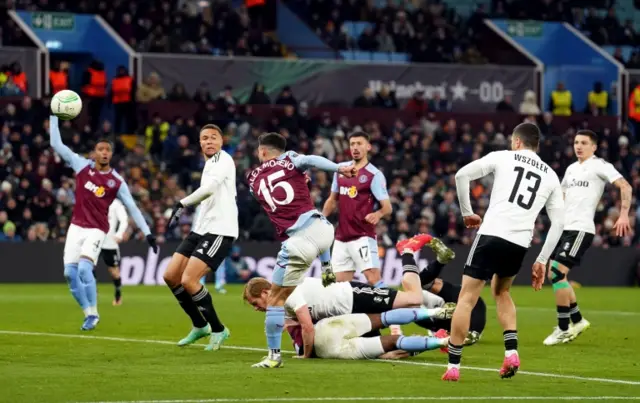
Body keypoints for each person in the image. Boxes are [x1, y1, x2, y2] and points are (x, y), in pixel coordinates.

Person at [444, 122, 565, 381]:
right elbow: (559, 223)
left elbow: (461, 175)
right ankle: (511, 352)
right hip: (519, 243)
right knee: (502, 292)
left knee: (467, 298)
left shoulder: (503, 157)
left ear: (518, 142)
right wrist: (542, 259)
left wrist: (467, 213)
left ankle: (453, 366)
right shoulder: (551, 175)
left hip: (491, 234)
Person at [246, 132, 357, 368]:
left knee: (275, 299)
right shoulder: (290, 160)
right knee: (319, 233)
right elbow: (310, 160)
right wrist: (339, 168)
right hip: (325, 230)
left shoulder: (253, 177)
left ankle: (273, 357)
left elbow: (273, 192)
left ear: (262, 151)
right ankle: (327, 266)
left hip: (298, 241)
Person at [49, 115, 157, 331]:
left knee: (84, 269)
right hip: (76, 227)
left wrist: (148, 233)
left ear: (111, 154)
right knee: (69, 274)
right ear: (94, 153)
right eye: (101, 149)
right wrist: (54, 115)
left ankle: (95, 313)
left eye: (108, 150)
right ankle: (88, 313)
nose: (104, 153)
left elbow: (133, 208)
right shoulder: (81, 166)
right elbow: (55, 144)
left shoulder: (116, 181)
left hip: (97, 230)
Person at [543, 130, 632, 346]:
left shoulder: (599, 165)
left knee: (556, 272)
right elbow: (562, 196)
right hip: (566, 227)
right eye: (575, 142)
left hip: (581, 228)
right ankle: (577, 320)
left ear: (594, 146)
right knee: (553, 273)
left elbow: (625, 186)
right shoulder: (571, 169)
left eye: (584, 143)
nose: (578, 146)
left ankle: (564, 328)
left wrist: (623, 215)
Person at [163, 124, 238, 351]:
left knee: (189, 280)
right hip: (201, 229)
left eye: (214, 137)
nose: (209, 142)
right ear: (200, 143)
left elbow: (210, 189)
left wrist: (182, 203)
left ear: (221, 141)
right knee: (171, 276)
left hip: (220, 230)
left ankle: (218, 328)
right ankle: (199, 325)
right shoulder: (208, 165)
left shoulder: (223, 160)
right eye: (204, 138)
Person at [322, 131, 392, 287]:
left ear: (368, 147)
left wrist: (378, 214)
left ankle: (393, 310)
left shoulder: (374, 175)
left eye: (359, 144)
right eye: (352, 144)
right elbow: (332, 200)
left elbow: (387, 208)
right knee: (337, 285)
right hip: (341, 238)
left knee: (373, 279)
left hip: (362, 236)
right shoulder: (341, 170)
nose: (355, 147)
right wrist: (321, 218)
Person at [397, 234, 486, 345]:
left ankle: (438, 261)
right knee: (419, 289)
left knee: (413, 297)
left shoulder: (431, 315)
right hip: (471, 308)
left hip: (457, 316)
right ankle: (439, 261)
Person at [284, 310, 450, 360]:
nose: (257, 308)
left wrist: (303, 353)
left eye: (256, 303)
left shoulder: (283, 316)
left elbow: (305, 333)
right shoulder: (295, 298)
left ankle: (442, 341)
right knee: (384, 318)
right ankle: (436, 312)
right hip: (331, 326)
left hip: (327, 346)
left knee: (391, 346)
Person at [99, 198, 128, 306]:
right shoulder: (95, 200)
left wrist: (119, 234)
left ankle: (118, 294)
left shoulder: (115, 204)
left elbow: (124, 219)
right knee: (88, 265)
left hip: (109, 242)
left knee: (114, 272)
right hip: (95, 240)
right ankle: (92, 292)